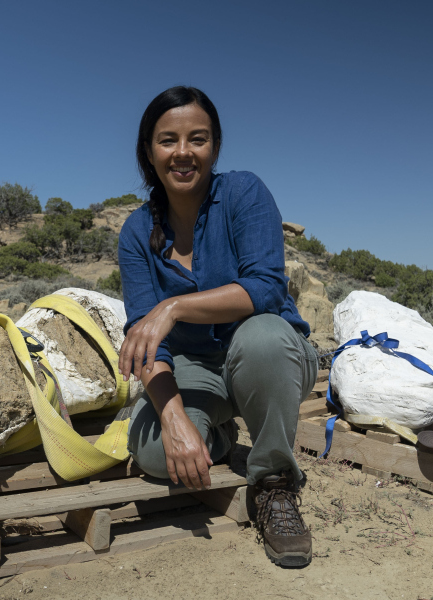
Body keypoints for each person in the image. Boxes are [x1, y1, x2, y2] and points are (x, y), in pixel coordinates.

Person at [117, 86, 318, 568]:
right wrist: (174, 420)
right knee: (155, 453)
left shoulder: (243, 193)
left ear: (215, 146)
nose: (183, 152)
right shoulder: (136, 232)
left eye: (198, 139)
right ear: (149, 150)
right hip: (197, 368)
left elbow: (266, 289)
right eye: (168, 140)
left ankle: (274, 486)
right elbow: (147, 344)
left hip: (269, 357)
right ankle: (218, 432)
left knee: (263, 337)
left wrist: (174, 308)